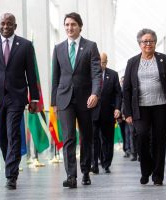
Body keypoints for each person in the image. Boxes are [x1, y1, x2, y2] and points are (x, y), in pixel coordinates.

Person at [0, 13, 39, 190]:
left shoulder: (25, 46)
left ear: (15, 26)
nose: (5, 27)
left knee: (13, 133)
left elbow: (31, 74)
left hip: (17, 97)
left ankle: (11, 175)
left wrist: (34, 98)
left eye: (9, 24)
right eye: (3, 23)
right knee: (3, 135)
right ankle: (11, 163)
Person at [123, 28, 166, 186]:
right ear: (139, 44)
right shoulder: (132, 62)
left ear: (155, 43)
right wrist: (127, 112)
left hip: (161, 107)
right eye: (144, 41)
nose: (148, 44)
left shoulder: (164, 59)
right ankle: (145, 169)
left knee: (159, 140)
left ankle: (157, 176)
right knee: (141, 137)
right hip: (140, 108)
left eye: (151, 41)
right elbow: (126, 89)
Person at [51, 12, 102, 188]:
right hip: (64, 99)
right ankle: (71, 176)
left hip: (86, 99)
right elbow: (55, 78)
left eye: (73, 24)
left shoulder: (90, 46)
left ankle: (85, 170)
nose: (69, 28)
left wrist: (95, 93)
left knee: (86, 137)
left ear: (80, 26)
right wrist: (54, 103)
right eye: (66, 25)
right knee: (68, 138)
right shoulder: (58, 48)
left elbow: (96, 73)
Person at [91, 52, 122, 174]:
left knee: (107, 140)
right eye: (98, 62)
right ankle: (94, 164)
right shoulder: (90, 74)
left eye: (103, 62)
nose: (100, 65)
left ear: (106, 62)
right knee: (94, 139)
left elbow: (118, 93)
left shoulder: (113, 75)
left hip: (108, 112)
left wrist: (117, 108)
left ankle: (106, 163)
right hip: (92, 112)